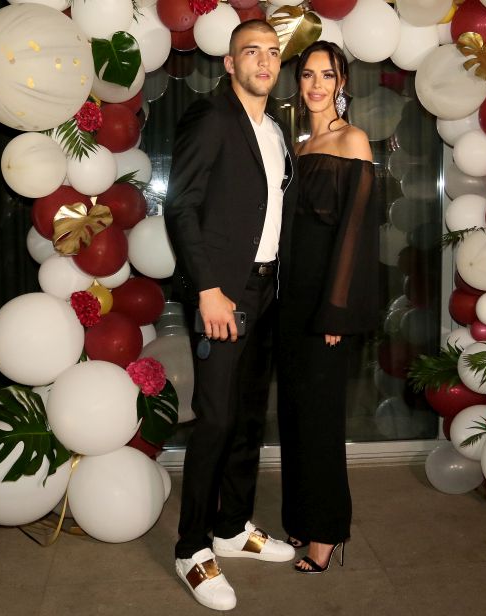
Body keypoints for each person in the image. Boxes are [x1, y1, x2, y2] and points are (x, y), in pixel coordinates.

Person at [163, 20, 298, 611]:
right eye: (252, 51)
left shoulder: (275, 128)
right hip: (225, 292)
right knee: (215, 421)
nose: (264, 61)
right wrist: (208, 289)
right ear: (229, 62)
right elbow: (181, 206)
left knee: (247, 418)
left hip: (268, 290)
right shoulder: (212, 116)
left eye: (272, 52)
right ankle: (191, 548)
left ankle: (232, 527)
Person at [276, 40, 378, 575]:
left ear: (342, 84)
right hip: (290, 301)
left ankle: (327, 533)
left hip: (326, 303)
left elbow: (354, 232)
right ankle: (300, 516)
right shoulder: (299, 145)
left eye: (328, 75)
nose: (317, 85)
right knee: (294, 414)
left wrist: (337, 311)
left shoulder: (352, 140)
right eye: (308, 74)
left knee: (320, 419)